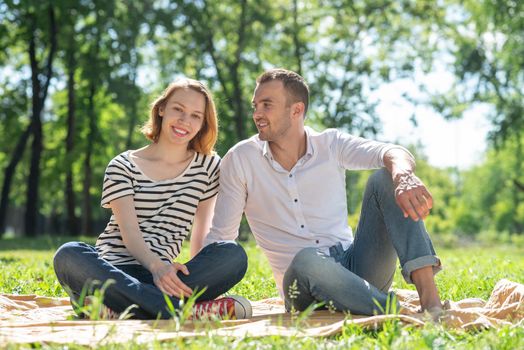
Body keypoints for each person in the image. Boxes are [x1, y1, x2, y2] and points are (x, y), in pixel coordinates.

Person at [204, 68, 443, 316]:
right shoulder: (241, 158)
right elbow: (222, 236)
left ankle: (430, 302)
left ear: (296, 110)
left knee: (386, 177)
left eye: (267, 105)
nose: (257, 114)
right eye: (256, 106)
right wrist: (204, 293)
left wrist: (403, 175)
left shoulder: (330, 144)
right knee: (307, 259)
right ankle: (390, 309)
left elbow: (393, 152)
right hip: (302, 283)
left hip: (356, 269)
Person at [53, 79, 251, 320]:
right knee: (69, 254)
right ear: (161, 109)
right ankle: (183, 311)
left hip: (167, 278)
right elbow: (130, 235)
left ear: (203, 123)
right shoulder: (123, 165)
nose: (184, 121)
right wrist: (156, 267)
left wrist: (193, 274)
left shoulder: (208, 166)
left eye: (195, 116)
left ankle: (120, 307)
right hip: (114, 271)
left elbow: (202, 230)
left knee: (233, 254)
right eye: (178, 109)